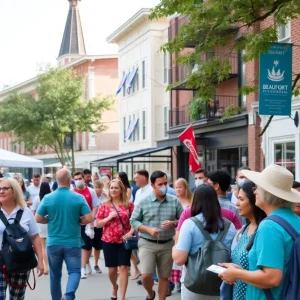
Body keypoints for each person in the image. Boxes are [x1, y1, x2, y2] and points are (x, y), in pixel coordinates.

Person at [219, 164, 300, 299]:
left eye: (258, 188)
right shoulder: (294, 219)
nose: (255, 191)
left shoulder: (269, 226)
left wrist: (237, 274)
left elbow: (272, 278)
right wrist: (242, 272)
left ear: (268, 194)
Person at [36, 168, 93, 300]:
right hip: (73, 242)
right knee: (74, 271)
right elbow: (89, 218)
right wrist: (79, 220)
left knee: (55, 275)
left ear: (56, 181)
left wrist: (48, 219)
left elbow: (38, 218)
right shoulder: (78, 197)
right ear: (69, 180)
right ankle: (68, 295)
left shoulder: (48, 197)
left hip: (53, 242)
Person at [173, 183, 236, 299]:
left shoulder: (189, 224)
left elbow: (179, 260)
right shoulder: (230, 226)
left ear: (195, 200)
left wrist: (174, 247)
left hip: (193, 284)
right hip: (221, 283)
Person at [130, 171, 183, 300]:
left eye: (166, 183)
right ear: (152, 185)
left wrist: (173, 223)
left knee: (164, 277)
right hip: (147, 243)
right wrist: (148, 229)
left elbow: (183, 220)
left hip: (167, 244)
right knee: (146, 275)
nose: (164, 186)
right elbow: (133, 221)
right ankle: (150, 294)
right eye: (160, 184)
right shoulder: (143, 202)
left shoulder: (174, 201)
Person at [0, 178, 44, 299]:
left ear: (14, 191)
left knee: (17, 297)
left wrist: (40, 261)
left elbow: (35, 237)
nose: (1, 191)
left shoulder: (26, 212)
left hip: (21, 260)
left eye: (5, 188)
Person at [96, 179, 135, 300]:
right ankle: (114, 286)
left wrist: (131, 232)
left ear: (121, 190)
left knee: (123, 267)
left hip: (124, 240)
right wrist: (108, 218)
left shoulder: (129, 205)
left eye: (116, 188)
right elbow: (98, 224)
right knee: (112, 271)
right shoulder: (104, 205)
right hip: (108, 240)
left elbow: (135, 221)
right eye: (111, 188)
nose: (113, 190)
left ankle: (122, 297)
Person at [228, 180, 266, 300]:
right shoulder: (245, 228)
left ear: (254, 200)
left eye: (241, 199)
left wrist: (238, 273)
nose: (237, 204)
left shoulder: (265, 229)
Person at [73, 171, 99, 279]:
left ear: (84, 179)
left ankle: (86, 262)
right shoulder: (72, 192)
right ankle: (82, 268)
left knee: (88, 246)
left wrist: (91, 220)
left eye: (80, 178)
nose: (78, 181)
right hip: (76, 222)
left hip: (88, 221)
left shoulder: (91, 191)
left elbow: (95, 206)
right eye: (76, 179)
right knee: (80, 246)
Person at [36, 182, 52, 275]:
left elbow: (34, 212)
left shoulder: (37, 199)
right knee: (48, 245)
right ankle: (48, 265)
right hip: (49, 222)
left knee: (42, 246)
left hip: (40, 222)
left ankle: (45, 266)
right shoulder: (51, 197)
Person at [93, 180, 107, 273]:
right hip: (90, 223)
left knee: (98, 246)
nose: (98, 189)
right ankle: (85, 264)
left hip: (100, 224)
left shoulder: (104, 198)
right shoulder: (91, 196)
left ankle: (95, 264)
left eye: (100, 187)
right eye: (96, 187)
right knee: (87, 247)